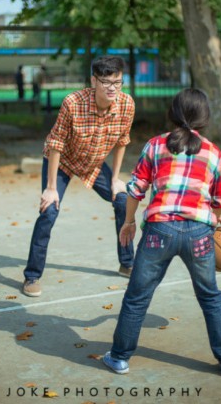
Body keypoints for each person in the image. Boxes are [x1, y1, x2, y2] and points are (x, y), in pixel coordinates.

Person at [103, 88, 221, 378]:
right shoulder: (213, 153)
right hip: (198, 234)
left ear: (173, 114)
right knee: (210, 296)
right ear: (204, 118)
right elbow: (220, 201)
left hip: (159, 231)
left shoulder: (155, 145)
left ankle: (119, 358)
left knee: (137, 296)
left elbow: (136, 189)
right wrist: (213, 220)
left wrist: (128, 222)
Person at [23, 55, 135, 297]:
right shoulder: (73, 103)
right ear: (94, 81)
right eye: (107, 83)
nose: (113, 88)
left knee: (123, 200)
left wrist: (116, 178)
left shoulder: (127, 105)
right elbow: (55, 143)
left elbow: (122, 142)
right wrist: (51, 188)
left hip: (93, 163)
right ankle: (32, 276)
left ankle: (127, 263)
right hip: (62, 161)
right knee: (49, 210)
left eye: (117, 82)